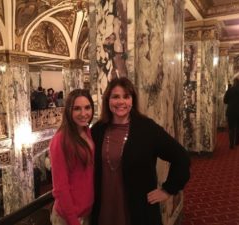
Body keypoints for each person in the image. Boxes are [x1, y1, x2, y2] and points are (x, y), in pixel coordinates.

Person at [91, 77, 190, 225]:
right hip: (104, 208)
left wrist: (168, 190)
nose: (121, 102)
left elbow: (181, 157)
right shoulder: (98, 129)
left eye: (126, 96)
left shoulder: (147, 129)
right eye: (115, 97)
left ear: (132, 100)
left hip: (138, 211)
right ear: (107, 100)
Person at [49, 89, 95, 225]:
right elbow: (60, 188)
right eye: (77, 109)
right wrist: (73, 220)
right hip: (69, 218)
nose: (83, 114)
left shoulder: (87, 132)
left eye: (87, 107)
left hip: (87, 212)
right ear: (69, 111)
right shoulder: (60, 140)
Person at [224, 77, 239, 149]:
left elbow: (225, 101)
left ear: (234, 82)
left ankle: (231, 144)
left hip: (231, 111)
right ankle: (237, 141)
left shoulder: (229, 90)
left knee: (231, 128)